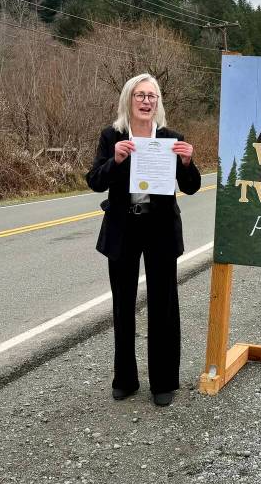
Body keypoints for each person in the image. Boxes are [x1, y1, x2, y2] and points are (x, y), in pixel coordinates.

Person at [85, 72, 201, 406]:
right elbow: (94, 180)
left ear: (158, 103)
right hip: (123, 228)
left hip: (160, 229)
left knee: (163, 307)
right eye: (141, 95)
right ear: (128, 100)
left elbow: (191, 186)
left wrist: (188, 162)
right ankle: (125, 378)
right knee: (122, 305)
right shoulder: (112, 137)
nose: (147, 101)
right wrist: (116, 160)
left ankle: (163, 382)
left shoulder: (171, 137)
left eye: (152, 96)